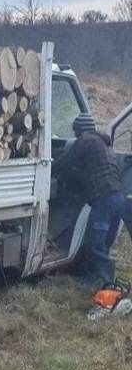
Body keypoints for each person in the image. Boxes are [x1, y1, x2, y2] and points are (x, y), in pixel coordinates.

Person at [52, 113, 126, 290]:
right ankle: (94, 276)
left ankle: (104, 283)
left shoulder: (85, 141)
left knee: (95, 243)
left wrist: (50, 170)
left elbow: (67, 163)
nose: (76, 134)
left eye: (76, 131)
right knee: (104, 242)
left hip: (104, 199)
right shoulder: (103, 143)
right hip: (118, 198)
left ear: (79, 129)